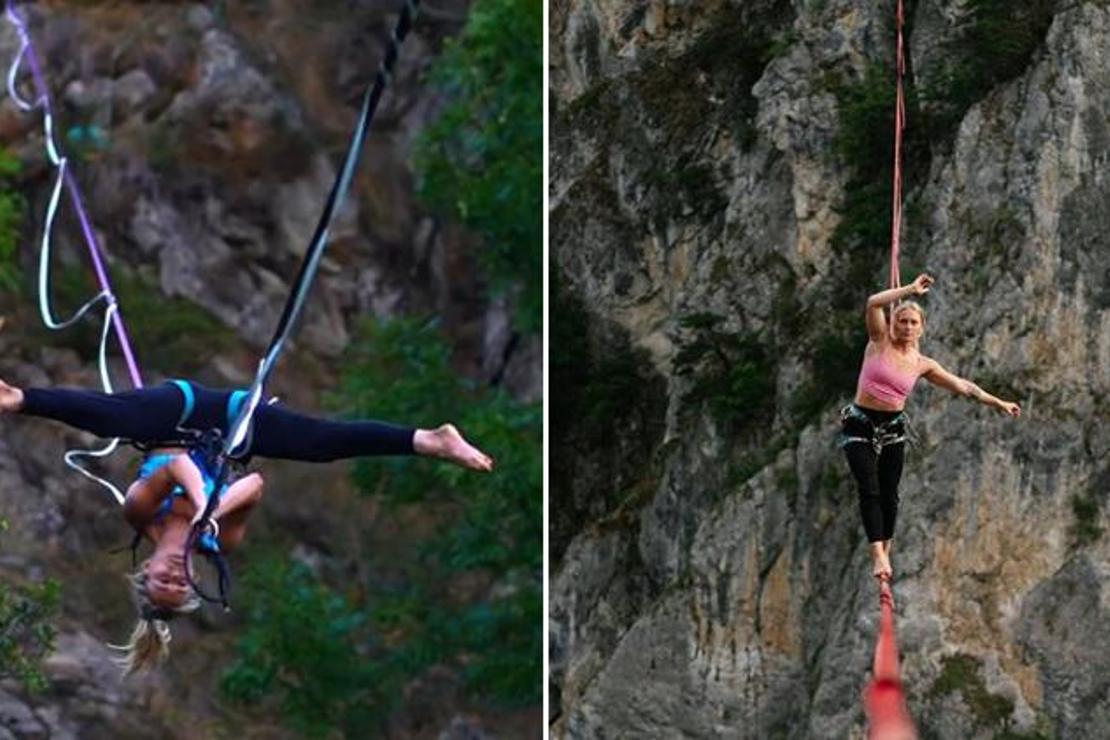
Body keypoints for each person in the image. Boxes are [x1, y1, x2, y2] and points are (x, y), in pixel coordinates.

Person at [0, 377, 494, 672]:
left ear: (146, 571)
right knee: (319, 444)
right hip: (233, 429)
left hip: (179, 411)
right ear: (193, 581)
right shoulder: (219, 542)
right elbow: (254, 484)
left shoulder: (138, 513)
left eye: (161, 582)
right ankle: (431, 440)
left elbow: (175, 468)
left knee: (118, 418)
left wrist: (202, 507)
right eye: (180, 585)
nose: (172, 577)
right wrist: (212, 517)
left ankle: (21, 398)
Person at [842, 274, 1020, 581]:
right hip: (860, 423)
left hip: (893, 427)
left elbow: (964, 387)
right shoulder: (878, 341)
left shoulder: (923, 364)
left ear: (921, 328)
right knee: (869, 489)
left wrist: (999, 403)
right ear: (893, 323)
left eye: (913, 322)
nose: (907, 327)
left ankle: (886, 549)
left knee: (890, 494)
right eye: (902, 321)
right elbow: (873, 302)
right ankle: (878, 556)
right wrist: (911, 290)